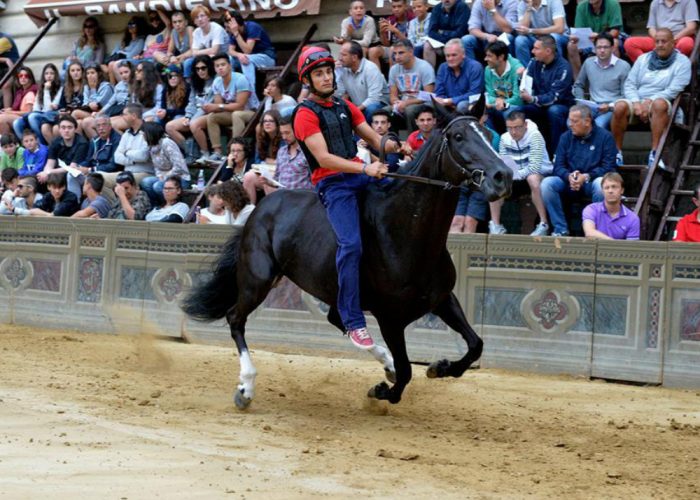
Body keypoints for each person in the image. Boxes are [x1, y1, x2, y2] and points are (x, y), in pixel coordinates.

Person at [293, 46, 403, 350]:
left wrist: (398, 146)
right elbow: (324, 158)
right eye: (319, 73)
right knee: (351, 245)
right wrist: (365, 168)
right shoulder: (304, 114)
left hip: (358, 174)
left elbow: (375, 139)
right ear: (308, 79)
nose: (327, 77)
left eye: (328, 71)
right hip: (333, 184)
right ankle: (353, 321)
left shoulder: (345, 105)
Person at [611, 28, 691, 169]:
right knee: (620, 106)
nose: (660, 44)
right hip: (638, 102)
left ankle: (655, 154)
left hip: (664, 102)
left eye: (664, 41)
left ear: (673, 43)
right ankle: (617, 152)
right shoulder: (643, 59)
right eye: (657, 41)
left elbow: (674, 89)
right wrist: (636, 103)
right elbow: (630, 83)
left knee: (659, 104)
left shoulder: (682, 62)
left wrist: (650, 101)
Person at [541, 105, 617, 237]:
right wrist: (568, 176)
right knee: (547, 184)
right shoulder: (565, 137)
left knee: (601, 185)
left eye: (574, 121)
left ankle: (597, 230)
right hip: (568, 181)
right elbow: (557, 166)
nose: (570, 125)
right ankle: (560, 229)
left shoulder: (606, 137)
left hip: (591, 181)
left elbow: (608, 167)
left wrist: (586, 177)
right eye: (570, 121)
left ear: (587, 122)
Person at [515, 35, 575, 156]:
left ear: (548, 51)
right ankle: (523, 152)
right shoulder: (534, 62)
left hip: (561, 105)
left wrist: (533, 98)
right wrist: (520, 78)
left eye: (536, 49)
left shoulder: (564, 68)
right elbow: (527, 84)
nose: (532, 51)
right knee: (519, 111)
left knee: (554, 111)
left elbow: (555, 97)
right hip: (539, 104)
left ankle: (556, 154)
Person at [495, 112, 552, 236]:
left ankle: (543, 223)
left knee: (533, 179)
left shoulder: (535, 135)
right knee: (494, 182)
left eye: (517, 127)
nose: (513, 132)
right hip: (516, 177)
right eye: (509, 128)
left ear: (525, 125)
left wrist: (515, 175)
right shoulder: (504, 138)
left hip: (540, 174)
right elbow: (504, 163)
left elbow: (534, 167)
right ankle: (496, 225)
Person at [201, 53, 256, 163]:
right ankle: (217, 152)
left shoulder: (240, 79)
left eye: (223, 65)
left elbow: (240, 106)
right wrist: (209, 107)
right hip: (232, 112)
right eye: (217, 66)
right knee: (212, 117)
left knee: (237, 114)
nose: (220, 68)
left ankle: (234, 151)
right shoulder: (217, 82)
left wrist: (218, 106)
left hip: (251, 112)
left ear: (230, 66)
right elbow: (218, 106)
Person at [572, 33, 630, 131]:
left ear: (612, 48)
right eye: (599, 47)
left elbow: (626, 94)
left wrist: (610, 106)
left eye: (605, 47)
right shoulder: (588, 62)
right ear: (594, 49)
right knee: (572, 122)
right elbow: (578, 85)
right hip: (592, 106)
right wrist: (581, 101)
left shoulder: (624, 66)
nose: (602, 50)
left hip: (612, 108)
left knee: (598, 125)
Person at [165, 55, 214, 151]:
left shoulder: (216, 81)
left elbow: (208, 105)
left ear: (209, 67)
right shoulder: (195, 82)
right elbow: (192, 102)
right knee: (169, 126)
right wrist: (188, 116)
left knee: (193, 124)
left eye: (203, 68)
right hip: (195, 114)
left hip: (209, 113)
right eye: (197, 69)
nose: (200, 71)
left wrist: (192, 118)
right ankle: (190, 151)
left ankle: (205, 153)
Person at [624, 0, 698, 63]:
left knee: (687, 44)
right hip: (658, 38)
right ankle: (648, 66)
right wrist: (658, 40)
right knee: (630, 43)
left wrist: (672, 40)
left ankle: (672, 67)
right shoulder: (655, 2)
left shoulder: (689, 1)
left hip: (678, 38)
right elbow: (651, 28)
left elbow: (691, 27)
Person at [387, 39, 436, 131]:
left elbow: (429, 95)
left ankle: (412, 143)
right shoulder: (394, 69)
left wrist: (406, 103)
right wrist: (396, 103)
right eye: (395, 53)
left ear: (411, 52)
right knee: (385, 112)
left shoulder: (424, 67)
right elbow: (392, 95)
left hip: (421, 103)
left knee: (409, 111)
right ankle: (391, 142)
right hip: (403, 103)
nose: (397, 57)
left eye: (401, 53)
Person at [567, 0, 624, 77]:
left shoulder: (613, 4)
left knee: (614, 43)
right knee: (571, 45)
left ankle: (614, 78)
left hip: (607, 38)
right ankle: (578, 81)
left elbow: (615, 32)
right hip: (588, 40)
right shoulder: (581, 7)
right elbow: (579, 31)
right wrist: (575, 37)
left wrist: (599, 36)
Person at [336, 41, 390, 123]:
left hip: (379, 104)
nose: (340, 58)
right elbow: (339, 94)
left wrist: (355, 110)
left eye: (344, 55)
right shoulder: (343, 69)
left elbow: (374, 99)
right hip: (360, 106)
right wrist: (337, 74)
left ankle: (366, 135)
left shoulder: (370, 68)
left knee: (371, 109)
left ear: (354, 57)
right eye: (340, 54)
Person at [139, 122, 191, 206]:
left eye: (143, 134)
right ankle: (156, 206)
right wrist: (159, 175)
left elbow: (179, 166)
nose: (142, 136)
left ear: (149, 134)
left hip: (180, 178)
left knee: (157, 186)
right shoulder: (152, 146)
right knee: (146, 182)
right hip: (164, 177)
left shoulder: (167, 143)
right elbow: (156, 166)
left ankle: (169, 205)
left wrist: (165, 176)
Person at [38, 114, 89, 197]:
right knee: (40, 179)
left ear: (75, 129)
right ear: (59, 129)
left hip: (74, 173)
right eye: (63, 127)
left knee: (64, 177)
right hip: (58, 172)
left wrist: (49, 172)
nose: (66, 130)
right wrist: (45, 173)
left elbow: (72, 168)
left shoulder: (82, 143)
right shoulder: (56, 142)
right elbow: (50, 163)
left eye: (69, 127)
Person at [224, 9, 276, 89]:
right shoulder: (232, 32)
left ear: (236, 25)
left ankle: (249, 92)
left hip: (267, 57)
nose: (226, 30)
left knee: (246, 59)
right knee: (228, 60)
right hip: (249, 58)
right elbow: (230, 51)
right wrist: (239, 54)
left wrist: (236, 33)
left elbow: (247, 50)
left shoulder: (252, 27)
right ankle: (231, 89)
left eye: (228, 27)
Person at [108, 104, 154, 191]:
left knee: (103, 179)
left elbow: (143, 156)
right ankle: (117, 203)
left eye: (125, 114)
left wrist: (126, 153)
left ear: (133, 116)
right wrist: (132, 161)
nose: (122, 117)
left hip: (145, 172)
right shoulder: (126, 133)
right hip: (128, 172)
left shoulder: (148, 131)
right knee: (97, 177)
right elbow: (116, 157)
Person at [12, 63, 62, 144]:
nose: (49, 76)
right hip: (41, 114)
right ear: (43, 75)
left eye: (52, 73)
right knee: (16, 123)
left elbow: (48, 109)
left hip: (52, 115)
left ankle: (41, 144)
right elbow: (36, 108)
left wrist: (46, 90)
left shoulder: (60, 88)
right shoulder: (40, 88)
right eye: (46, 73)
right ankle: (27, 146)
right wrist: (44, 89)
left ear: (56, 75)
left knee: (32, 117)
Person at [582, 172, 639, 240]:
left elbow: (631, 248)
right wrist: (612, 242)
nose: (610, 191)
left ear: (622, 190)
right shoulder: (591, 209)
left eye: (614, 187)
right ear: (602, 191)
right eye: (606, 188)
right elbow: (589, 233)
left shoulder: (632, 218)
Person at [434, 38, 484, 113]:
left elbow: (474, 94)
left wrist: (451, 101)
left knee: (462, 105)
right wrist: (446, 102)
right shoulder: (442, 67)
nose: (450, 59)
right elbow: (439, 93)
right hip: (447, 104)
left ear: (463, 54)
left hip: (469, 104)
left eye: (454, 55)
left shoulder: (475, 67)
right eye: (447, 56)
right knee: (427, 105)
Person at [484, 40, 524, 133]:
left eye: (489, 56)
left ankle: (510, 143)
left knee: (509, 111)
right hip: (497, 106)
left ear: (501, 57)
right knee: (482, 111)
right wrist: (497, 101)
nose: (485, 59)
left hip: (515, 106)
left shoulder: (517, 69)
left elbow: (518, 99)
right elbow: (490, 95)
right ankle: (493, 140)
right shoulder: (488, 69)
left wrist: (504, 102)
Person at [514, 0, 568, 67]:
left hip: (558, 36)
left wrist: (532, 31)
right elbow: (521, 31)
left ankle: (557, 70)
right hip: (536, 38)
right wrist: (528, 8)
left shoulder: (554, 1)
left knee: (553, 38)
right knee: (520, 40)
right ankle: (527, 73)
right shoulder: (522, 5)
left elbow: (559, 28)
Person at [184, 6, 228, 78]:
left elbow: (214, 50)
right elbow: (194, 52)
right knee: (187, 63)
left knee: (214, 61)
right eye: (196, 17)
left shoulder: (217, 28)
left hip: (224, 56)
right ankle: (191, 86)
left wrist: (199, 52)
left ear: (208, 17)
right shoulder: (196, 32)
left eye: (202, 16)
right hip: (207, 57)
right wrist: (205, 53)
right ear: (194, 21)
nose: (200, 19)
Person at [423, 0, 471, 68]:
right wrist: (446, 38)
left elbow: (460, 33)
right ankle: (430, 76)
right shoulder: (437, 8)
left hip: (458, 41)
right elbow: (431, 32)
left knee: (462, 41)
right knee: (427, 45)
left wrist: (442, 32)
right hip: (442, 43)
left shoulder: (463, 7)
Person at [103, 16, 147, 84]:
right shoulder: (125, 40)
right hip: (120, 60)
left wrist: (121, 52)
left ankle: (124, 86)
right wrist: (121, 52)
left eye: (133, 24)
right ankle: (114, 88)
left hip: (131, 61)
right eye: (129, 24)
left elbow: (131, 55)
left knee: (113, 64)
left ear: (139, 26)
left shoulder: (140, 41)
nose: (131, 26)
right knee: (109, 64)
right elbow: (113, 53)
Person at [79, 113, 122, 177]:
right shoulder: (94, 140)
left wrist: (90, 170)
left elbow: (113, 165)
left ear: (110, 126)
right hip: (93, 172)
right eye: (98, 126)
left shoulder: (117, 140)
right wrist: (79, 166)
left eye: (104, 125)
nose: (101, 128)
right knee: (71, 175)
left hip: (109, 173)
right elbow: (88, 160)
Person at [374, 0, 415, 67]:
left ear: (405, 7)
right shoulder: (390, 20)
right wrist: (382, 33)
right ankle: (378, 77)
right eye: (394, 7)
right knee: (373, 51)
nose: (396, 9)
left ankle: (393, 76)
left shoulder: (412, 19)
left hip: (407, 49)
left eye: (399, 6)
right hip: (391, 48)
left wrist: (396, 31)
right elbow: (386, 44)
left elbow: (410, 43)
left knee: (393, 49)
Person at [72, 64, 114, 128]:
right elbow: (85, 103)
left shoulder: (106, 86)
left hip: (105, 113)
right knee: (79, 123)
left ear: (98, 74)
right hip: (92, 113)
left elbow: (97, 105)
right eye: (88, 73)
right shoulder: (86, 87)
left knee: (76, 113)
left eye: (92, 73)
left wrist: (93, 89)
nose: (90, 76)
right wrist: (89, 104)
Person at [0, 66, 37, 137]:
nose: (23, 77)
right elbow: (19, 108)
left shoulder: (30, 93)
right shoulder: (21, 92)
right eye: (20, 76)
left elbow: (29, 112)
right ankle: (9, 142)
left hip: (25, 119)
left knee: (1, 119)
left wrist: (10, 112)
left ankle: (9, 142)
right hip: (19, 116)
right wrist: (9, 109)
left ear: (31, 79)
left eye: (26, 76)